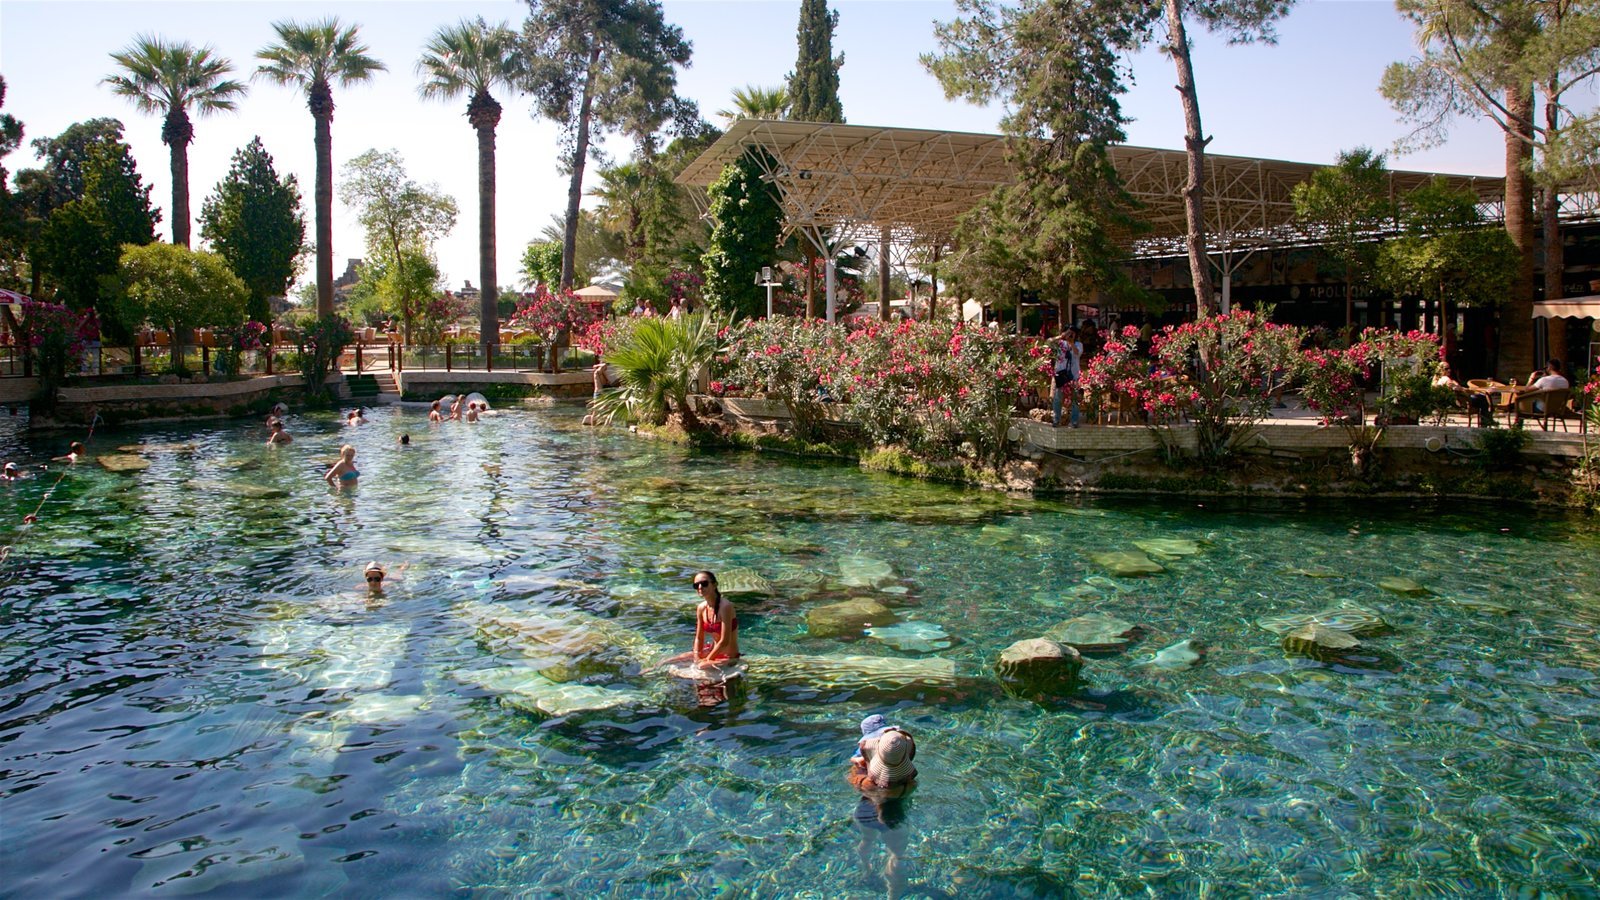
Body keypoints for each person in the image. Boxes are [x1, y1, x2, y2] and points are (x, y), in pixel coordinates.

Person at [690, 570, 739, 667]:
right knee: (672, 660)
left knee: (701, 666)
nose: (700, 587)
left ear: (715, 585)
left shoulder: (725, 606)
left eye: (704, 583)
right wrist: (697, 657)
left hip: (728, 657)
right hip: (712, 652)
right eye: (696, 585)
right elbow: (699, 638)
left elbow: (724, 641)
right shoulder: (701, 608)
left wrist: (707, 660)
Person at [1052, 328, 1083, 428]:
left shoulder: (1079, 344)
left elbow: (1077, 353)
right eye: (1069, 333)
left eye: (1072, 334)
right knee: (1058, 398)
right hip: (1061, 374)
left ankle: (1074, 421)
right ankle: (1056, 419)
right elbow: (1048, 342)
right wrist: (1061, 336)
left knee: (1075, 398)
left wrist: (1072, 343)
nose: (1070, 335)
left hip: (1073, 375)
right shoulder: (1060, 343)